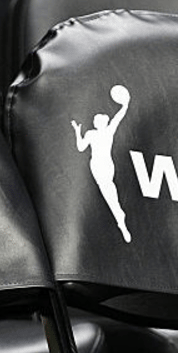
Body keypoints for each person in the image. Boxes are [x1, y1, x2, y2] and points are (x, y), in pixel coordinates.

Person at [72, 85, 132, 242]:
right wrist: (77, 132)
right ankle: (119, 218)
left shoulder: (106, 131)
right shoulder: (98, 133)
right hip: (98, 165)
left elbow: (118, 119)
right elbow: (80, 147)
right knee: (108, 191)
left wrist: (125, 106)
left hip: (104, 164)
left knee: (108, 191)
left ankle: (119, 216)